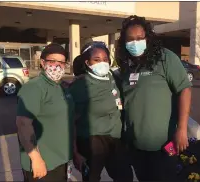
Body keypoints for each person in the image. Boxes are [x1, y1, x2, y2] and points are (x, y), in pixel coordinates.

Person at [115, 15, 192, 181]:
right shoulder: (127, 67)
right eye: (130, 39)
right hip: (136, 146)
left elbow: (184, 89)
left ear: (148, 38)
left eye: (139, 38)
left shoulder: (165, 58)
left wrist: (182, 129)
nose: (135, 43)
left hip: (165, 144)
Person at [69, 41, 133, 182]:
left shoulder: (114, 78)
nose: (102, 63)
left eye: (105, 60)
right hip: (92, 142)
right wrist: (75, 152)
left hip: (116, 139)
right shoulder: (80, 86)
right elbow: (71, 122)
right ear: (87, 62)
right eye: (96, 60)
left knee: (125, 177)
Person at [16, 43, 75, 182]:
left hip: (61, 159)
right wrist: (36, 159)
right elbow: (23, 124)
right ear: (43, 62)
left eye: (61, 62)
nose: (57, 65)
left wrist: (74, 151)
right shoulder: (34, 87)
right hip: (44, 163)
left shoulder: (62, 87)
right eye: (52, 61)